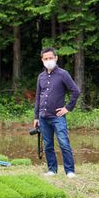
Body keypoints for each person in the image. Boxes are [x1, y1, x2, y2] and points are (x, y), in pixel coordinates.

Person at [33, 47, 81, 178]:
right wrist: (36, 117)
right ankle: (52, 170)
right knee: (48, 145)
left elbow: (76, 91)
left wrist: (67, 108)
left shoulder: (63, 74)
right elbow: (38, 97)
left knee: (64, 143)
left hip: (57, 117)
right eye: (45, 58)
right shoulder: (41, 76)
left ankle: (70, 171)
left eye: (51, 58)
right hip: (43, 117)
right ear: (42, 60)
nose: (48, 60)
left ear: (56, 58)